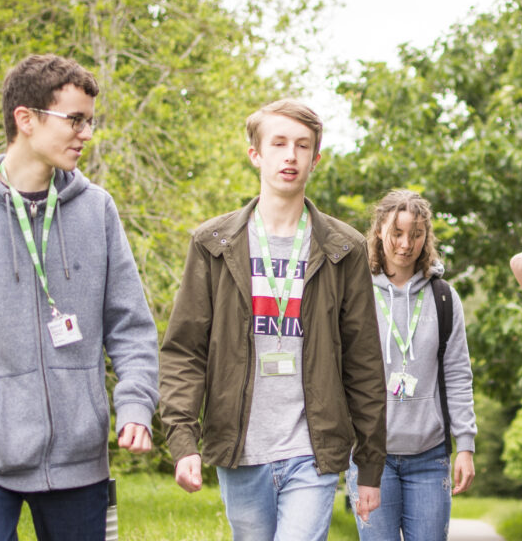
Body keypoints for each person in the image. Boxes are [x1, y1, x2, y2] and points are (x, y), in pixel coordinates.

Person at [0, 54, 160, 540]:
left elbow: (132, 328)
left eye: (89, 121)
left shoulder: (98, 210)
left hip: (81, 459)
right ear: (26, 118)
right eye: (74, 120)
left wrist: (136, 407)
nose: (86, 133)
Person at [158, 99, 387, 541]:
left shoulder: (345, 248)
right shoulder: (213, 244)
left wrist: (370, 463)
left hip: (313, 447)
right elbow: (185, 350)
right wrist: (183, 439)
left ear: (315, 159)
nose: (291, 155)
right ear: (256, 154)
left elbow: (364, 362)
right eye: (279, 143)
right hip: (241, 446)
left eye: (303, 146)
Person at [348, 189, 478, 540]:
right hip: (370, 456)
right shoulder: (356, 291)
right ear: (379, 231)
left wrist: (465, 445)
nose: (406, 244)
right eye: (397, 233)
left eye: (416, 234)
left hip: (429, 455)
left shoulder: (443, 297)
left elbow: (457, 374)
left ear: (426, 237)